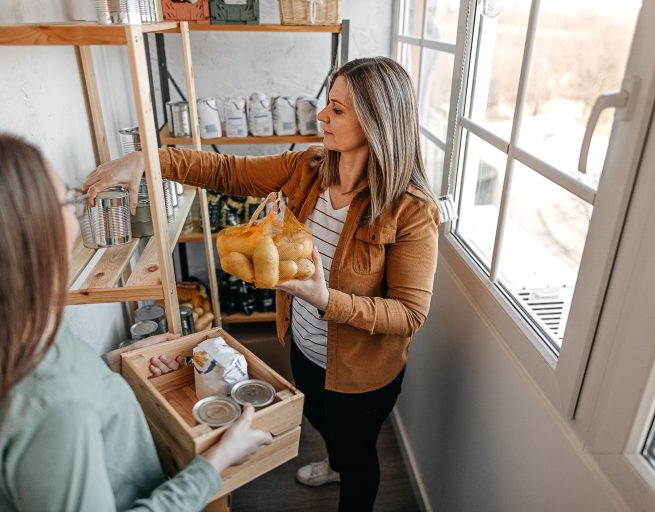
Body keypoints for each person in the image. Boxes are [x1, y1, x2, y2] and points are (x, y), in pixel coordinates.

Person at [86, 56, 440, 512]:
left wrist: (323, 297)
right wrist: (146, 159)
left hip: (362, 373)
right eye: (326, 104)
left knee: (358, 457)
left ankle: (345, 472)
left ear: (376, 122)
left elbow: (409, 314)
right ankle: (333, 461)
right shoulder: (308, 168)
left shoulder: (411, 211)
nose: (322, 116)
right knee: (317, 417)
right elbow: (226, 171)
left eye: (337, 109)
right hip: (303, 345)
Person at [0, 129, 273, 511]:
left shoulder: (10, 331)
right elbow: (55, 406)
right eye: (67, 200)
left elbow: (59, 392)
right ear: (23, 236)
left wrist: (113, 367)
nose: (80, 209)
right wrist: (215, 463)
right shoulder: (54, 409)